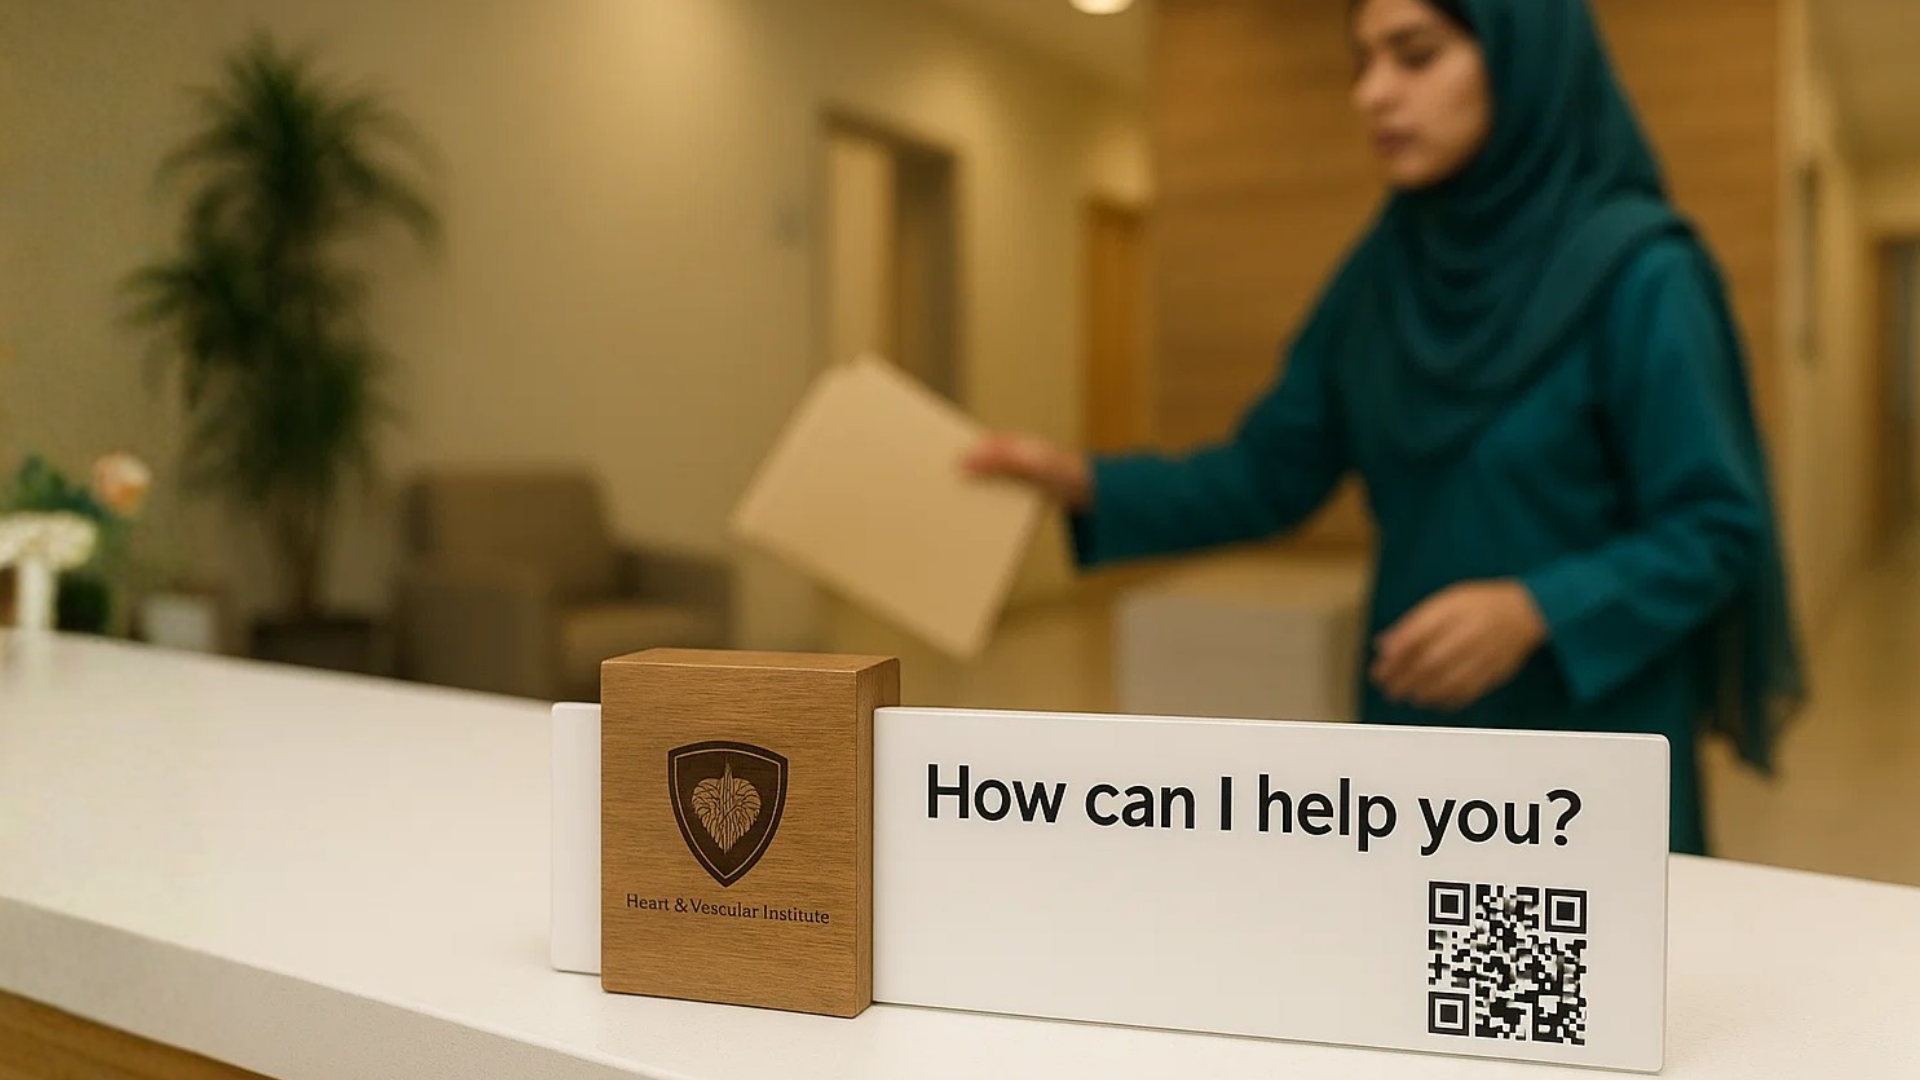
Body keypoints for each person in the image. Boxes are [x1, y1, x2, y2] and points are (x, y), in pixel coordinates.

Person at [962, 0, 1805, 856]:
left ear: (1521, 60)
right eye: (1361, 63)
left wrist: (1535, 608)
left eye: (1414, 56)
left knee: (1554, 985)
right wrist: (1082, 479)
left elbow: (1716, 527)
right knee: (1415, 978)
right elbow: (1267, 473)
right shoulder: (1383, 276)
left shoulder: (1643, 275)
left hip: (1588, 749)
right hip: (1416, 743)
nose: (1372, 93)